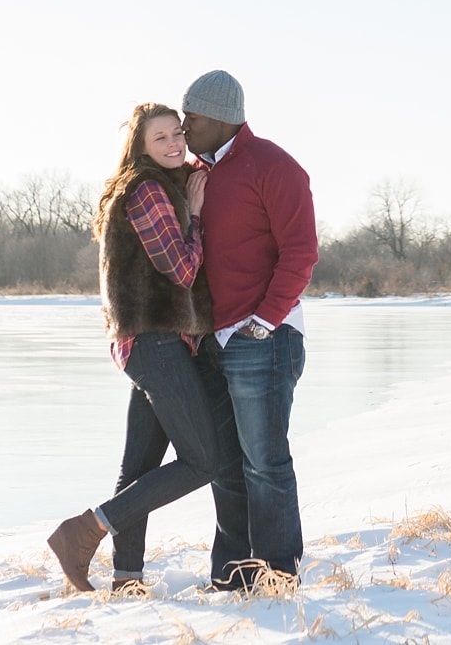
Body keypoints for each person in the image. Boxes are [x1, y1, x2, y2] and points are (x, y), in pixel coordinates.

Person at [46, 103, 244, 594]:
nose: (175, 143)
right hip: (153, 339)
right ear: (140, 147)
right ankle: (84, 529)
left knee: (139, 468)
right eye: (161, 138)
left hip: (149, 340)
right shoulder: (149, 191)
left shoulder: (157, 184)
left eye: (178, 133)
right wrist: (196, 215)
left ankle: (127, 579)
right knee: (204, 460)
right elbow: (181, 269)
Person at [181, 69, 318, 584]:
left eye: (190, 116)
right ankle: (234, 575)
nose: (184, 125)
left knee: (264, 463)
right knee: (226, 466)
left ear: (217, 117)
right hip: (212, 342)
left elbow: (301, 252)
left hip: (264, 337)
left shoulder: (274, 167)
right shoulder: (197, 173)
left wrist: (263, 321)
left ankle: (279, 574)